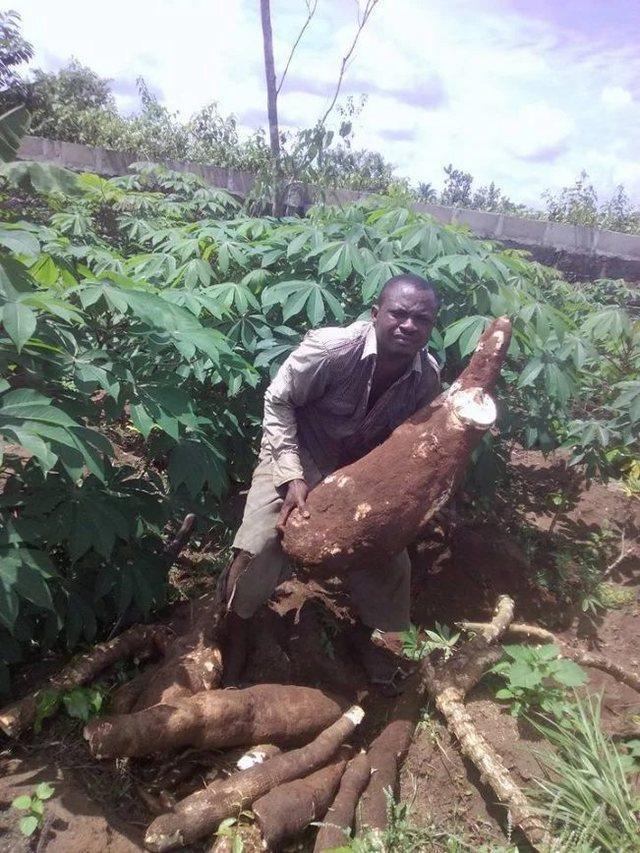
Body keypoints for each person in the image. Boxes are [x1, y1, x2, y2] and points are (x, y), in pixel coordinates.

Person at [220, 273, 441, 691]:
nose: (408, 326)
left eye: (422, 319)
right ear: (377, 314)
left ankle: (375, 640)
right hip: (297, 452)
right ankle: (236, 633)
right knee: (264, 541)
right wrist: (290, 476)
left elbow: (416, 440)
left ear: (431, 327)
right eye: (399, 314)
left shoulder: (425, 377)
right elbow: (278, 400)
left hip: (358, 473)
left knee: (390, 558)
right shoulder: (332, 350)